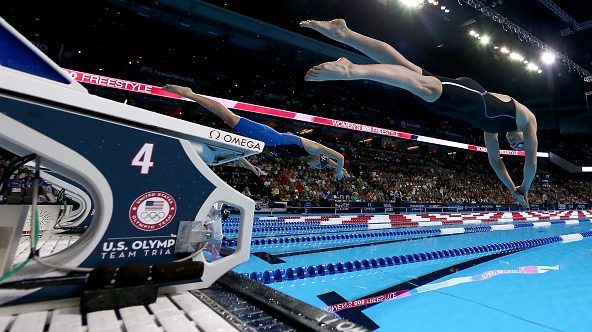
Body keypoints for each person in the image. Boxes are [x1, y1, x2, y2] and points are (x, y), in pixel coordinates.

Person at [300, 19, 537, 207]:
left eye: (513, 145)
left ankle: (344, 33)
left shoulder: (492, 129)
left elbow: (495, 161)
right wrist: (526, 184)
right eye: (519, 144)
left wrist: (513, 189)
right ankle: (351, 69)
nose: (514, 143)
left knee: (405, 66)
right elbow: (531, 162)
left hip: (455, 105)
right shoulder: (526, 118)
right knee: (420, 84)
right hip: (472, 94)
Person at [163, 84, 349, 180]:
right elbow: (338, 158)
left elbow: (330, 163)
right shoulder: (314, 148)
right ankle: (190, 94)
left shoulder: (310, 157)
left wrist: (340, 170)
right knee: (229, 118)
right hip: (268, 136)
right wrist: (339, 171)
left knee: (234, 147)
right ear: (320, 158)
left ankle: (252, 168)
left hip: (266, 141)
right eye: (318, 166)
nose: (314, 168)